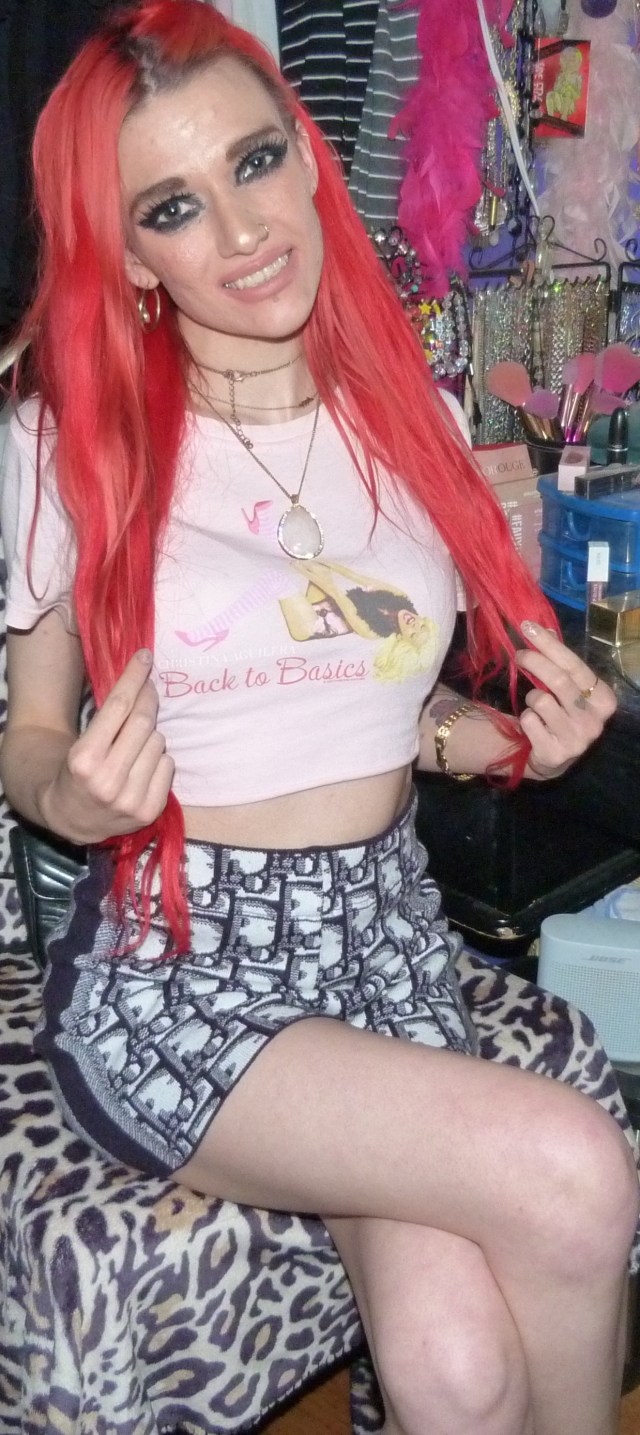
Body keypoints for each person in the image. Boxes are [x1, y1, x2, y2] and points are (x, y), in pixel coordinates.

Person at [0, 4, 637, 1433]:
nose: (240, 231)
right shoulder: (64, 440)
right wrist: (71, 797)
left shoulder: (402, 412)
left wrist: (506, 740)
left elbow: (389, 710)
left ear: (306, 154)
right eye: (173, 206)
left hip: (382, 936)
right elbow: (27, 739)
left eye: (254, 161)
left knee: (456, 1367)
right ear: (131, 256)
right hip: (181, 964)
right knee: (573, 1165)